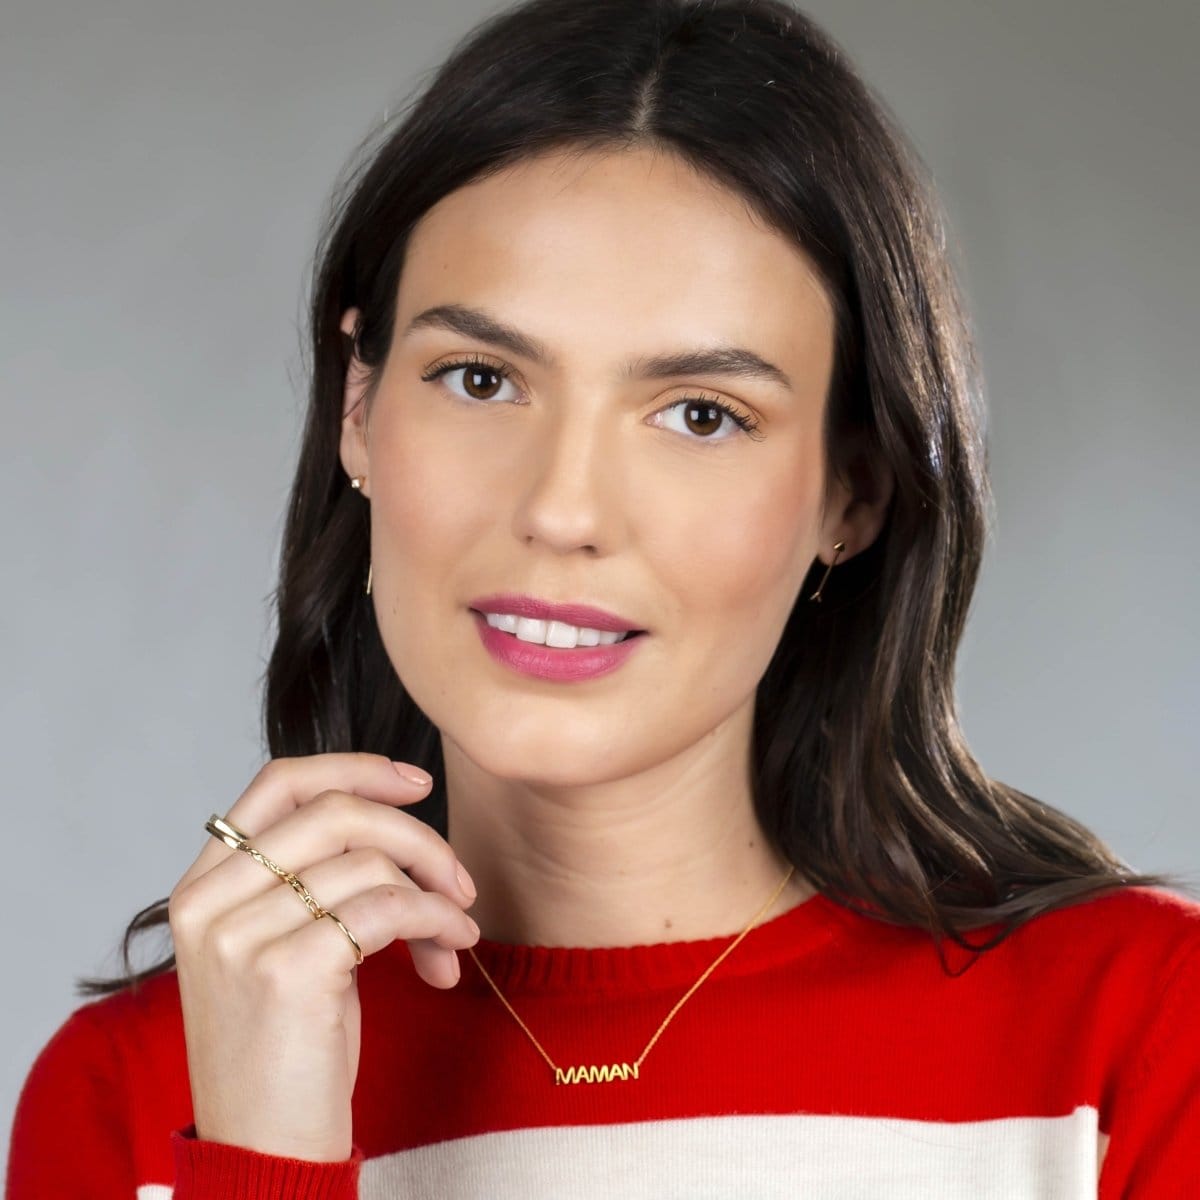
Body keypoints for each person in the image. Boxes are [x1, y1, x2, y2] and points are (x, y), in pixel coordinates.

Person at [7, 0, 1199, 1195]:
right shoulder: (141, 1093)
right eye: (481, 379)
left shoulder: (1134, 1034)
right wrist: (265, 1155)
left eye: (700, 415)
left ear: (853, 493)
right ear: (358, 411)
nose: (564, 509)